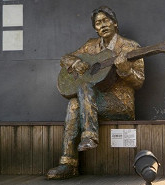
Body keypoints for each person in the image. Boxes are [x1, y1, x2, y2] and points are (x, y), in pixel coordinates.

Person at [47, 6, 145, 179]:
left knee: (83, 89)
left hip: (119, 104)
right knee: (74, 102)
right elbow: (65, 58)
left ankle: (89, 136)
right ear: (95, 28)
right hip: (91, 103)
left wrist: (126, 70)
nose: (102, 25)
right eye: (98, 23)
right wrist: (75, 63)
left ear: (114, 22)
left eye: (106, 20)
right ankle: (68, 164)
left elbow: (139, 82)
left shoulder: (130, 47)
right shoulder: (90, 46)